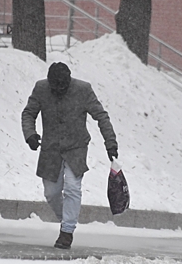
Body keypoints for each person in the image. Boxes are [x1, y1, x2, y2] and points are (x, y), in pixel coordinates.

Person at [21, 62, 118, 249]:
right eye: (54, 86)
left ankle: (67, 231)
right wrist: (30, 135)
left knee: (73, 188)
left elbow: (101, 117)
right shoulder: (41, 88)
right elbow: (28, 113)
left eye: (61, 87)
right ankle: (66, 218)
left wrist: (110, 144)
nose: (58, 90)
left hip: (76, 148)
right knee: (51, 193)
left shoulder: (83, 89)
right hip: (51, 149)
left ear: (68, 81)